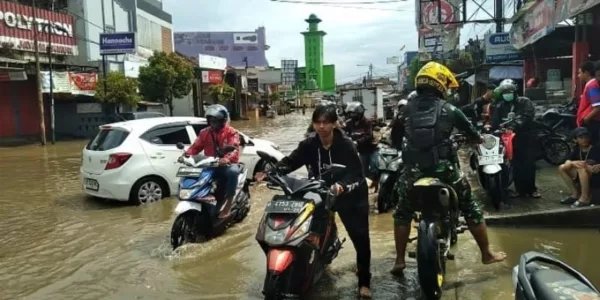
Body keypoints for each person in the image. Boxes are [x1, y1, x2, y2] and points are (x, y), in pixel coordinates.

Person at [390, 61, 506, 276]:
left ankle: (399, 261)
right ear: (441, 84)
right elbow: (473, 134)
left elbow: (395, 138)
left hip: (412, 171)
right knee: (470, 205)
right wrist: (477, 139)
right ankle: (486, 253)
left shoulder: (404, 110)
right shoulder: (450, 110)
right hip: (443, 170)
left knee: (403, 211)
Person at [256, 105, 372, 298]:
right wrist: (271, 173)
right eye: (317, 122)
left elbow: (356, 174)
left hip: (351, 196)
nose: (321, 126)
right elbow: (291, 161)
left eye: (326, 122)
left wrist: (341, 186)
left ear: (334, 124)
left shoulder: (346, 145)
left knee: (360, 238)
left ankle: (365, 282)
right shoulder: (309, 144)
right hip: (321, 192)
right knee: (303, 229)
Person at [185, 104, 240, 219]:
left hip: (226, 165)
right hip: (209, 164)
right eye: (211, 120)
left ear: (223, 121)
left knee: (233, 172)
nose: (213, 122)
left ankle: (228, 205)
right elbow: (195, 147)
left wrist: (226, 158)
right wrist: (186, 154)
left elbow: (234, 147)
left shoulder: (231, 132)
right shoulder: (204, 132)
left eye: (215, 120)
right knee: (191, 174)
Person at [491, 79, 539, 199]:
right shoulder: (500, 105)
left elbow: (526, 116)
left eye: (509, 91)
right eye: (505, 92)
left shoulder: (524, 102)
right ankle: (519, 190)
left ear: (514, 91)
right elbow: (496, 121)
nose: (507, 93)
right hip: (510, 140)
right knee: (515, 164)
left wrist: (514, 126)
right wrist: (495, 128)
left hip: (526, 137)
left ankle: (532, 189)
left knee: (528, 164)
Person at [558, 127, 600, 207]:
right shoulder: (577, 150)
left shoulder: (596, 148)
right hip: (584, 176)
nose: (584, 140)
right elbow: (567, 164)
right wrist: (574, 163)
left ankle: (584, 198)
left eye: (586, 137)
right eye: (581, 138)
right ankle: (575, 194)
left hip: (596, 176)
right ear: (575, 140)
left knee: (581, 167)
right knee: (562, 167)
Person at [344, 101, 377, 178]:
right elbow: (344, 133)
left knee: (367, 170)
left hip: (366, 150)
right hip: (354, 150)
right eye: (351, 113)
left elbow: (368, 135)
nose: (352, 115)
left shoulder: (367, 122)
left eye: (354, 113)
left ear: (360, 113)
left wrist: (357, 142)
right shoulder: (349, 123)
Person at [576, 61, 600, 144]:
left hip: (592, 122)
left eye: (579, 73)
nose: (578, 76)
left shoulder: (592, 85)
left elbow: (597, 106)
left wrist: (587, 118)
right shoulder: (591, 85)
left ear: (586, 73)